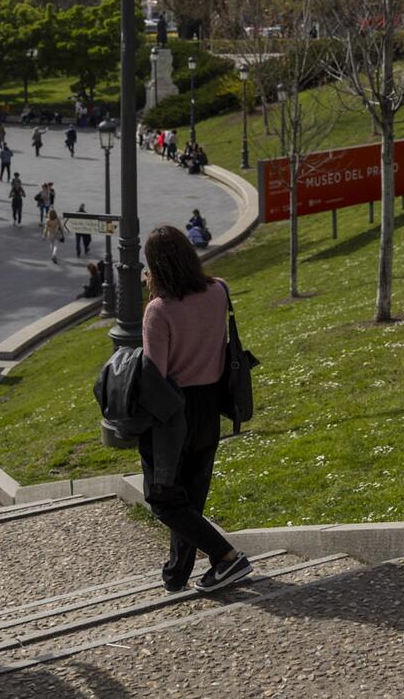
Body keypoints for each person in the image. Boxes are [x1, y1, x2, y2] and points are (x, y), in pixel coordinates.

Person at [137, 225, 252, 594]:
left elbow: (157, 372)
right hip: (211, 405)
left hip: (174, 412)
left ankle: (226, 557)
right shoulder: (219, 290)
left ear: (155, 266)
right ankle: (176, 573)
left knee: (162, 497)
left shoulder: (159, 310)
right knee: (189, 494)